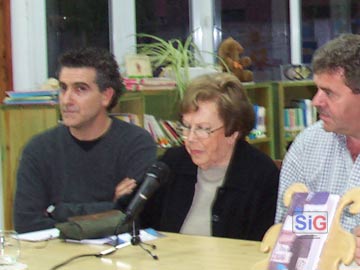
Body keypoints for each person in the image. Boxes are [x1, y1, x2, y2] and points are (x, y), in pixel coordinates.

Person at [14, 47, 157, 233]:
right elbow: (26, 223)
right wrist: (109, 206)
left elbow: (133, 217)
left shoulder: (136, 143)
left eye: (80, 89)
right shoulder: (38, 148)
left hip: (119, 256)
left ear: (106, 96)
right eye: (63, 88)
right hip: (54, 254)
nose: (66, 100)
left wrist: (57, 211)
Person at [142, 72, 279, 241]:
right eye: (186, 126)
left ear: (233, 131)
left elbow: (263, 246)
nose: (190, 138)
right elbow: (142, 226)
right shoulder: (173, 163)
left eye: (202, 129)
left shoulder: (261, 175)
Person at [273, 34, 360, 263]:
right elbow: (285, 236)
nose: (315, 101)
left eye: (329, 92)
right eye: (317, 89)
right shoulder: (308, 144)